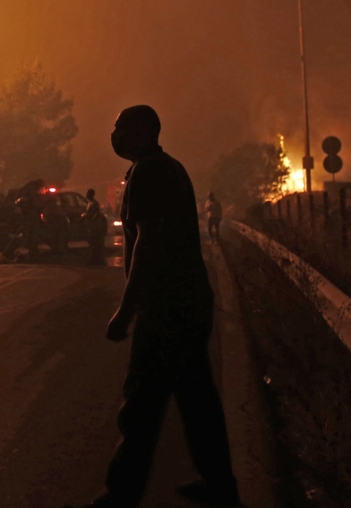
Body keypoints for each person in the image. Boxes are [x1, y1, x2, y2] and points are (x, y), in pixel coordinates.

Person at [70, 105, 238, 508]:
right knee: (197, 401)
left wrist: (126, 312)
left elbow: (148, 243)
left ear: (145, 132)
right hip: (188, 301)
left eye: (121, 127)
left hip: (166, 308)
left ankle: (118, 496)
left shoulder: (149, 173)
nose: (114, 134)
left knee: (142, 402)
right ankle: (219, 485)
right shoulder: (169, 168)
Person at [82, 188, 108, 265]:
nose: (86, 195)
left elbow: (94, 214)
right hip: (91, 226)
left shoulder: (94, 204)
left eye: (87, 193)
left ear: (91, 194)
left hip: (95, 226)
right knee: (93, 242)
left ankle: (95, 259)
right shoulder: (90, 203)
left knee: (96, 242)